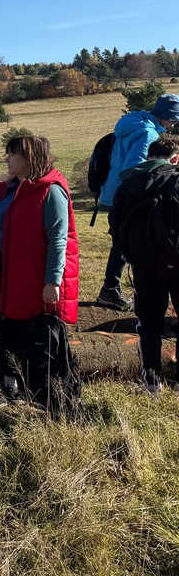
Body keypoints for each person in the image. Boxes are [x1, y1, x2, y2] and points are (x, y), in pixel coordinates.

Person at [0, 135, 79, 406]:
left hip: (34, 278)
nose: (7, 159)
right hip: (9, 274)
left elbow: (59, 240)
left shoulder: (50, 191)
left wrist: (52, 281)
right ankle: (10, 389)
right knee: (6, 330)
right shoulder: (13, 188)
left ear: (30, 158)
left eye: (13, 154)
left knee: (29, 334)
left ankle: (40, 393)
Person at [109, 134, 179, 394]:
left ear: (148, 157)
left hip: (143, 264)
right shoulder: (176, 180)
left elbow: (115, 226)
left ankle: (151, 382)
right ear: (175, 159)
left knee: (148, 325)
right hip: (176, 262)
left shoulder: (128, 183)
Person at [95, 94, 179, 310]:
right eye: (174, 119)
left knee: (123, 237)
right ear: (166, 116)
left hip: (115, 189)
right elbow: (135, 168)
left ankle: (111, 288)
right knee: (130, 239)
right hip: (130, 193)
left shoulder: (132, 124)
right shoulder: (147, 133)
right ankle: (111, 289)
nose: (173, 124)